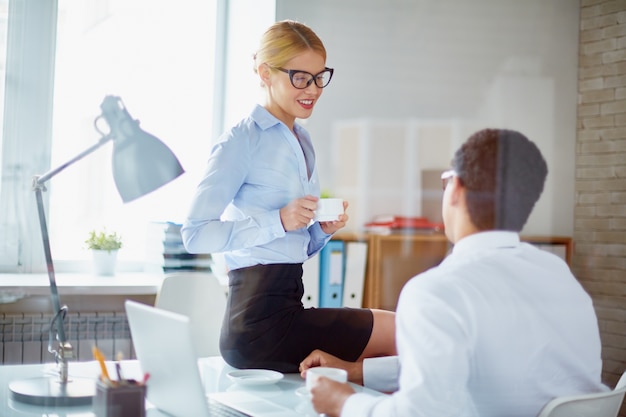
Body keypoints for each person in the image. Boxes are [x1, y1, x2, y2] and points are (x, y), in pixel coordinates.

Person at [300, 128, 606, 417]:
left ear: (456, 187)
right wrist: (359, 373)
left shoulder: (435, 292)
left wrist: (344, 402)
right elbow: (482, 363)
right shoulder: (557, 274)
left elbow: (421, 413)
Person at [181, 20, 396, 373]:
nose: (313, 89)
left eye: (319, 76)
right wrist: (277, 219)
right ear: (266, 73)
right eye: (300, 77)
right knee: (403, 332)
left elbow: (297, 246)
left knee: (391, 346)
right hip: (256, 325)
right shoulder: (241, 141)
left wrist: (322, 230)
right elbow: (194, 233)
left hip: (289, 308)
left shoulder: (304, 141)